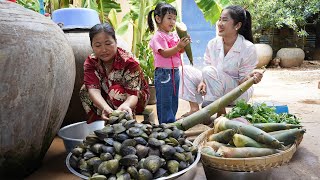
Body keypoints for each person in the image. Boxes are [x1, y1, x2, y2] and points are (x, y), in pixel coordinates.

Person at [179, 5, 263, 118]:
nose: (219, 23)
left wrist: (252, 78)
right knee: (185, 70)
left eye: (225, 20)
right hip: (213, 88)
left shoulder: (248, 48)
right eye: (219, 19)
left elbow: (242, 81)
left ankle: (219, 113)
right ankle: (195, 109)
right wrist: (203, 81)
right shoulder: (213, 43)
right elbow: (207, 66)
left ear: (237, 25)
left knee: (210, 71)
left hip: (238, 93)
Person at [80, 23, 150, 124]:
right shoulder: (91, 62)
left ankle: (125, 124)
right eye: (98, 45)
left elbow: (133, 95)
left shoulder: (129, 62)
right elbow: (93, 90)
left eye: (108, 44)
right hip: (108, 92)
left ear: (116, 42)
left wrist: (126, 106)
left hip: (135, 98)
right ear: (92, 46)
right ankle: (101, 124)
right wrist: (105, 107)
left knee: (116, 92)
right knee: (84, 91)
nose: (104, 50)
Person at [147, 2, 191, 124]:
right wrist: (178, 47)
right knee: (164, 100)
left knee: (173, 98)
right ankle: (165, 123)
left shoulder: (173, 35)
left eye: (174, 19)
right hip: (163, 73)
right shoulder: (158, 37)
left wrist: (184, 45)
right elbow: (165, 53)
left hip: (174, 71)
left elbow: (179, 51)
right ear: (158, 19)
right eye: (169, 18)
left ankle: (171, 121)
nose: (172, 22)